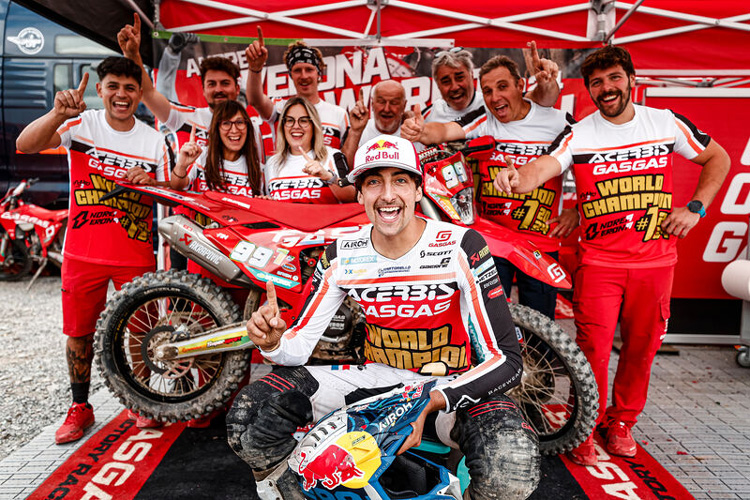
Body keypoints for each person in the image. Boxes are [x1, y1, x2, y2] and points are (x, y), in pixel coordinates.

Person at [226, 134, 540, 499]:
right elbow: (298, 348)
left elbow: (507, 361)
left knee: (512, 465)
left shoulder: (461, 244)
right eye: (374, 182)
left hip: (449, 390)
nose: (387, 195)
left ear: (419, 190)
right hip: (377, 384)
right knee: (249, 417)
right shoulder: (342, 254)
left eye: (400, 180)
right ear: (360, 194)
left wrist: (433, 400)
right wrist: (273, 343)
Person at [494, 45, 730, 466]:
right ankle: (585, 426)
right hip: (599, 264)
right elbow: (542, 167)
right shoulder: (580, 133)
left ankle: (621, 422)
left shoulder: (664, 122)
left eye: (614, 78)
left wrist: (695, 209)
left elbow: (718, 157)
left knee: (641, 349)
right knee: (591, 352)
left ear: (631, 80)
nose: (607, 88)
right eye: (597, 82)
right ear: (589, 89)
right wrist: (517, 178)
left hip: (656, 262)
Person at [16, 56, 171, 443]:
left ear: (140, 94)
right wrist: (57, 114)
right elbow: (25, 144)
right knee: (79, 333)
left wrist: (151, 181)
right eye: (113, 86)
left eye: (130, 88)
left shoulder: (154, 140)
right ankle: (80, 407)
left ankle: (141, 400)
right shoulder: (82, 123)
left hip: (134, 254)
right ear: (100, 89)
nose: (121, 94)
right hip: (82, 253)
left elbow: (174, 190)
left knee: (141, 330)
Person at [402, 54, 577, 319]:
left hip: (540, 242)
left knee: (542, 327)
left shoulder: (559, 120)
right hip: (493, 240)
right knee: (489, 319)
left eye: (502, 86)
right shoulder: (484, 118)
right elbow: (446, 131)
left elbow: (587, 167)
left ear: (520, 85)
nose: (495, 97)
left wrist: (578, 212)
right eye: (487, 91)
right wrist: (422, 132)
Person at [245, 28, 348, 150]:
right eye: (297, 70)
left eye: (309, 69)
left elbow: (346, 156)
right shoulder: (280, 108)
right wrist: (255, 68)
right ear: (290, 75)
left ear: (318, 73)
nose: (304, 76)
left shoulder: (338, 114)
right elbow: (255, 100)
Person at [423, 43, 560, 123]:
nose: (454, 87)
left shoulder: (493, 102)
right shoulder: (428, 115)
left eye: (460, 77)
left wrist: (547, 82)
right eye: (446, 81)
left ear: (471, 75)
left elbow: (544, 99)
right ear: (437, 84)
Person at [264, 97, 355, 203]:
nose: (296, 126)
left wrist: (328, 177)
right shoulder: (272, 164)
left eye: (303, 121)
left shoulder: (333, 155)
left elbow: (353, 197)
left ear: (314, 125)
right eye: (290, 120)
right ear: (283, 126)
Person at [171, 100, 263, 197]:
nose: (234, 130)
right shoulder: (202, 156)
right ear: (217, 128)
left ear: (248, 126)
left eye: (240, 122)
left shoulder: (256, 168)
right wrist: (181, 165)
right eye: (226, 123)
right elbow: (176, 186)